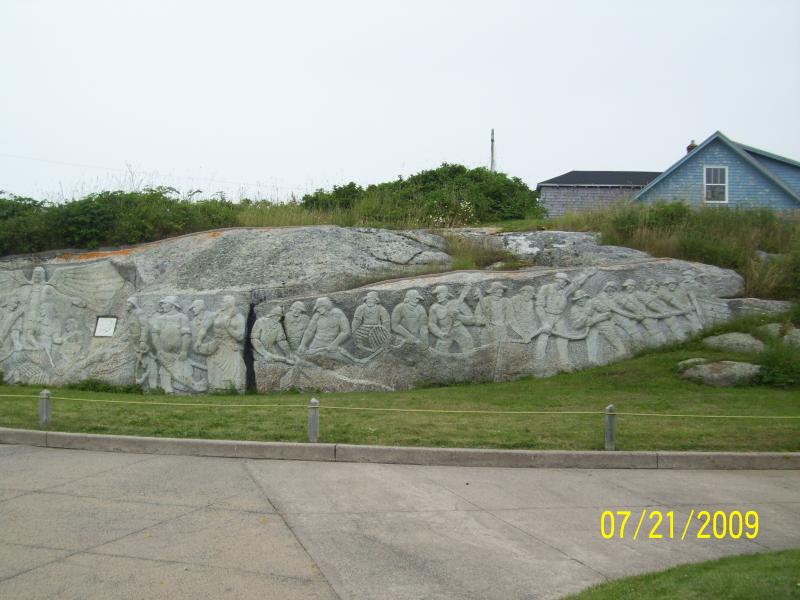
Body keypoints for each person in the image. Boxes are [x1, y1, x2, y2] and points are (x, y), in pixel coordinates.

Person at [196, 295, 246, 393]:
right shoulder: (216, 315)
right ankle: (215, 390)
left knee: (232, 371)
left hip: (230, 347)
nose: (221, 303)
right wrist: (199, 340)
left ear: (230, 303)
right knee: (215, 369)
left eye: (223, 301)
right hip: (216, 346)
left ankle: (232, 389)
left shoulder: (238, 317)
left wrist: (228, 328)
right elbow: (204, 328)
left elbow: (240, 336)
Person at [428, 285, 476, 353]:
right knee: (439, 352)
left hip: (459, 329)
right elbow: (431, 324)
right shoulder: (434, 308)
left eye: (439, 293)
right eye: (436, 294)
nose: (437, 296)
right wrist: (440, 334)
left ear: (446, 294)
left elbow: (472, 320)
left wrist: (459, 316)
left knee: (469, 345)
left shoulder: (458, 303)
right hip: (445, 332)